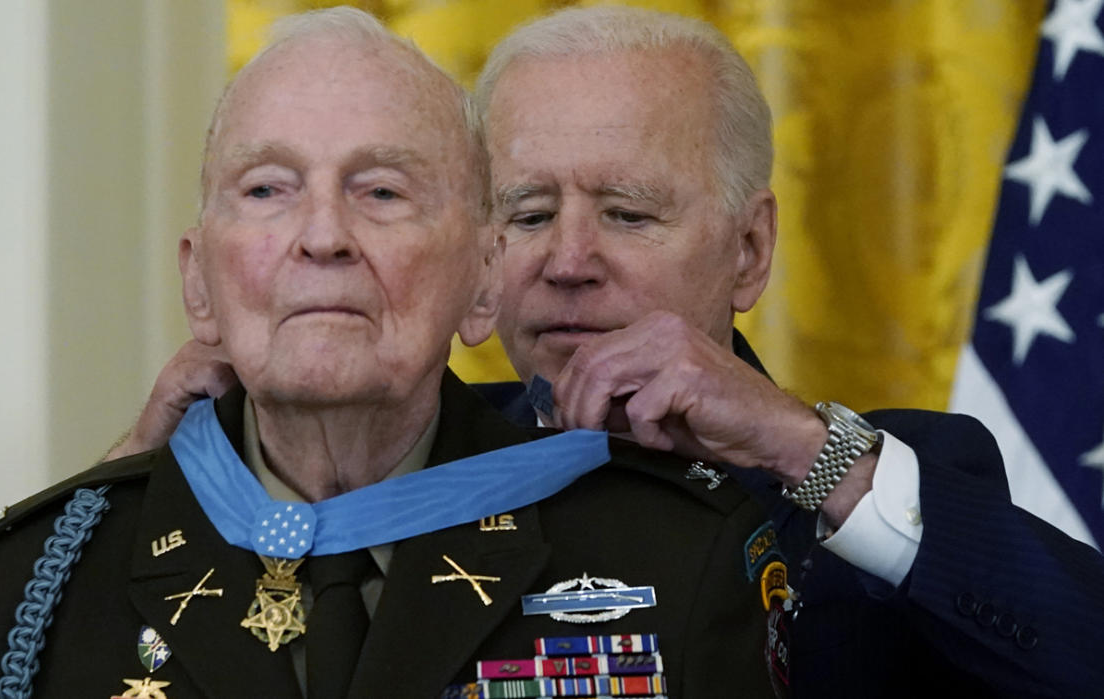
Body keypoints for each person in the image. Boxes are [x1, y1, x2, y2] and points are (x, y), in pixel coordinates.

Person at [64, 6, 1104, 698]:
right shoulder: (377, 472)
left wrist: (804, 452)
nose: (567, 261)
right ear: (474, 251)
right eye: (524, 212)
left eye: (626, 213)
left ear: (749, 251)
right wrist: (125, 489)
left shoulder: (870, 486)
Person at [0, 8, 774, 699]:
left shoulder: (681, 552)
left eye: (382, 192)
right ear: (200, 284)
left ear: (484, 279)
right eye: (267, 190)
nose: (323, 236)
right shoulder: (28, 580)